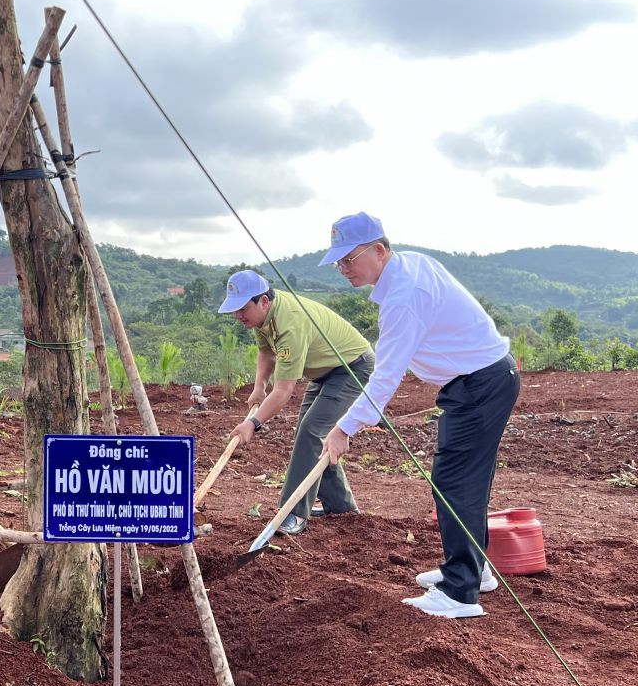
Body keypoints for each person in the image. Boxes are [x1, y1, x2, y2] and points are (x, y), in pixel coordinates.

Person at [317, 213, 520, 620]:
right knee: (466, 482)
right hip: (485, 379)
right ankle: (475, 570)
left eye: (349, 259)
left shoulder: (403, 298)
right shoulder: (413, 265)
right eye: (338, 262)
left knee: (454, 482)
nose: (343, 269)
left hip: (479, 385)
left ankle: (459, 593)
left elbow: (385, 378)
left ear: (379, 250)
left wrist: (344, 428)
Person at [221, 269, 375, 536]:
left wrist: (252, 424)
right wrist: (258, 387)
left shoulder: (289, 323)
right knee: (311, 432)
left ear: (264, 302)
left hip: (352, 368)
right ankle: (340, 505)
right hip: (324, 371)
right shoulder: (261, 319)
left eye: (243, 308)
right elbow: (266, 351)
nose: (238, 316)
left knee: (312, 431)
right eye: (234, 310)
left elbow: (283, 392)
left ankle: (292, 513)